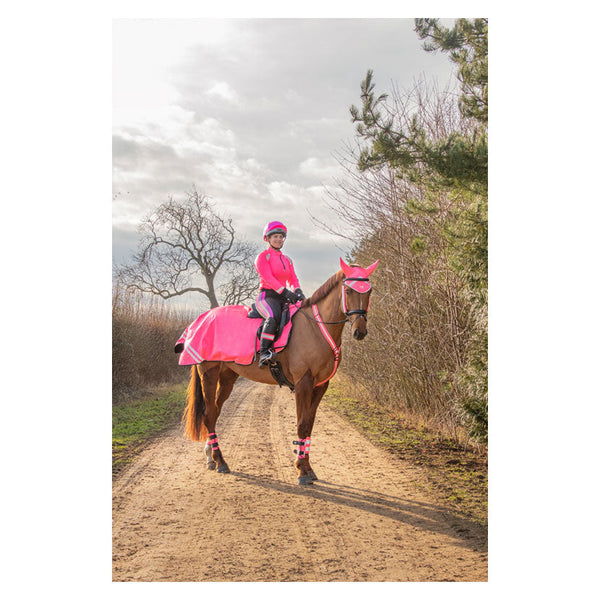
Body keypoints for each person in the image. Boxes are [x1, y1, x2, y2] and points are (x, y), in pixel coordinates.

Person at [254, 221, 305, 367]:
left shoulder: (287, 260)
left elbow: (293, 278)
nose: (278, 239)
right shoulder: (263, 257)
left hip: (284, 297)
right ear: (268, 239)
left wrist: (298, 291)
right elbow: (268, 278)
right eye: (275, 236)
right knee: (273, 316)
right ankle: (264, 353)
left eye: (281, 237)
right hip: (267, 296)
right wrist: (286, 292)